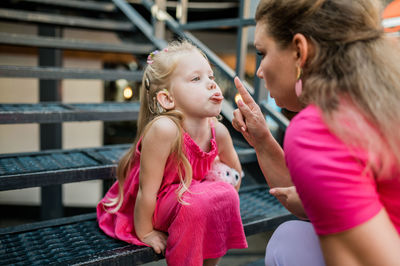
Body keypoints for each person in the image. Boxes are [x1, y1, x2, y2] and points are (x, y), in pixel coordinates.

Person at [231, 0, 400, 265]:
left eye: (262, 53)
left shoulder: (319, 128)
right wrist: (262, 139)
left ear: (300, 51)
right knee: (289, 236)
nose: (260, 71)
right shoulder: (377, 100)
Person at [97, 40, 247, 266]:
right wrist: (145, 232)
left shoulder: (219, 132)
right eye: (196, 79)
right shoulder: (164, 130)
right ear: (167, 99)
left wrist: (215, 186)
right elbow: (146, 192)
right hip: (154, 206)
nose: (211, 85)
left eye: (211, 77)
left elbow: (236, 176)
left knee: (224, 197)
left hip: (192, 199)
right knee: (196, 204)